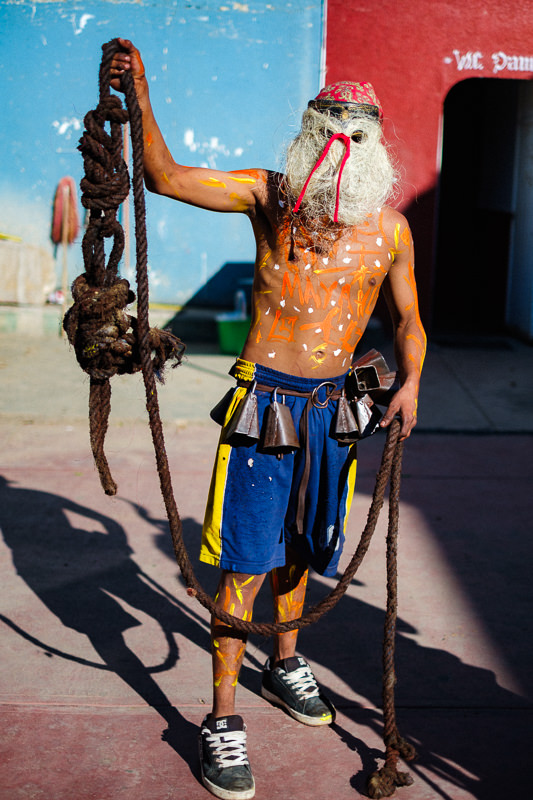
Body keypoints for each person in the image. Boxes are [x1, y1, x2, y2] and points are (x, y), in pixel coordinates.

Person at [111, 40, 426, 800]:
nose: (342, 148)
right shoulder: (269, 198)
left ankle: (283, 665)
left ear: (376, 148)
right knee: (245, 562)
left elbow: (408, 320)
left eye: (357, 135)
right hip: (266, 407)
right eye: (330, 132)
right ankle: (221, 718)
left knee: (303, 549)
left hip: (334, 412)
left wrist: (413, 380)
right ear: (309, 137)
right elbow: (164, 177)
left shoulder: (390, 231)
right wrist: (140, 93)